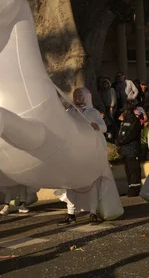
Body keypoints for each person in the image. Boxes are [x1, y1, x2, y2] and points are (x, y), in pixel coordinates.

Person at [58, 88, 107, 225]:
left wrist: (97, 126)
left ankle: (92, 213)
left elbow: (104, 127)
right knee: (70, 184)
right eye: (75, 95)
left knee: (90, 184)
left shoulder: (93, 112)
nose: (77, 97)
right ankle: (70, 214)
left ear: (87, 97)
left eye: (80, 95)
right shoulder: (69, 112)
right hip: (72, 153)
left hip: (89, 153)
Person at [115, 101, 142, 197]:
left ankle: (135, 190)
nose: (122, 113)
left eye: (124, 111)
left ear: (129, 111)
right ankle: (131, 188)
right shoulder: (124, 122)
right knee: (128, 171)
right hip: (125, 151)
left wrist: (120, 141)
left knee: (133, 171)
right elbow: (120, 134)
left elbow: (130, 135)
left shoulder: (134, 121)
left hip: (132, 151)